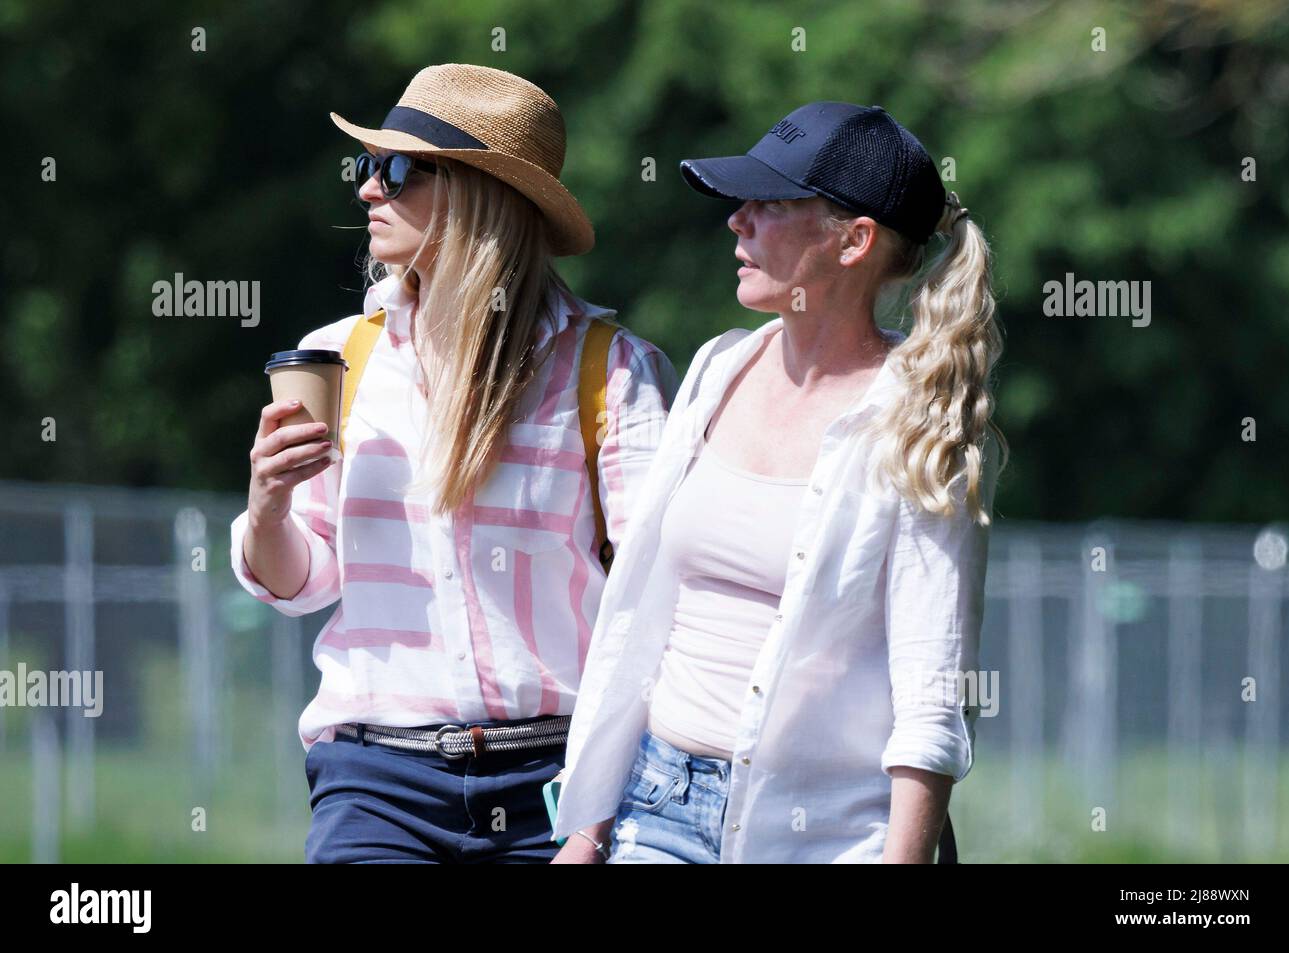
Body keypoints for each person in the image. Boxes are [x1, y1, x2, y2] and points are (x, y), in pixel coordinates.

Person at [229, 63, 676, 863]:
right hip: (375, 781)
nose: (367, 190)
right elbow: (305, 582)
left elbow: (654, 609)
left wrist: (593, 824)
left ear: (477, 193)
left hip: (558, 783)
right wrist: (267, 506)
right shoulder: (339, 358)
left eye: (396, 170)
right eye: (370, 167)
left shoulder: (611, 372)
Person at [551, 101, 1008, 863]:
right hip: (654, 809)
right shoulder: (717, 367)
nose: (739, 222)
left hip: (825, 838)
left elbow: (931, 695)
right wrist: (586, 829)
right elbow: (643, 611)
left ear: (854, 239)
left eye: (770, 203)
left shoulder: (922, 424)